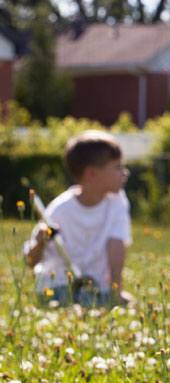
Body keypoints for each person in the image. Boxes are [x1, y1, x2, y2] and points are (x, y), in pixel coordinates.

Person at [23, 129, 133, 307]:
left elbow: (116, 246)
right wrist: (40, 241)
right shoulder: (60, 210)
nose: (124, 173)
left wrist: (116, 292)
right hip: (58, 287)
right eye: (117, 167)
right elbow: (31, 260)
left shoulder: (117, 202)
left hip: (95, 288)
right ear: (91, 174)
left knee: (125, 302)